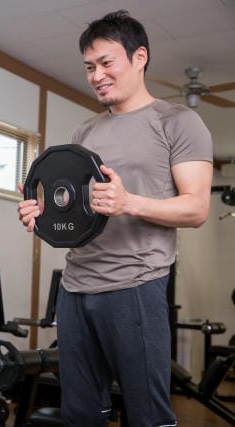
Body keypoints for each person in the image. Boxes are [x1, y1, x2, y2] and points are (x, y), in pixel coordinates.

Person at [17, 10, 213, 427]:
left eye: (106, 63)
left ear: (139, 57)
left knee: (147, 416)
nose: (96, 75)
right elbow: (78, 211)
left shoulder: (178, 122)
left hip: (135, 285)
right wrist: (42, 214)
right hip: (75, 287)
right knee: (81, 414)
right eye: (89, 67)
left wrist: (129, 203)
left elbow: (196, 208)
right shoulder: (84, 133)